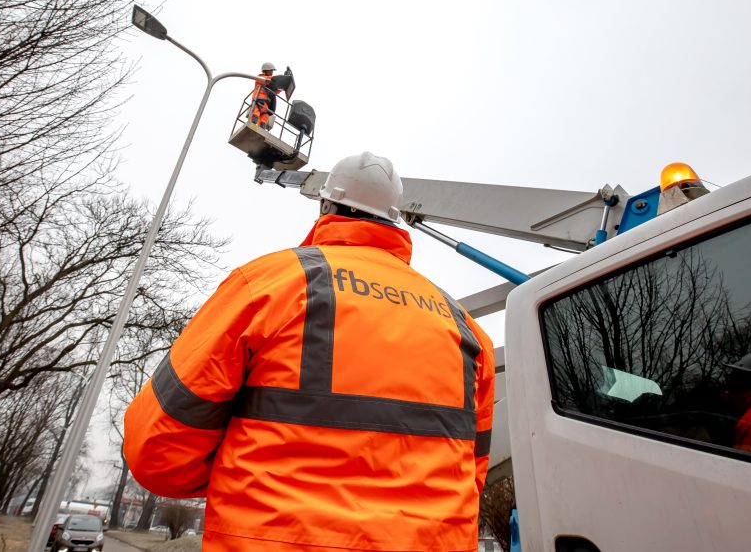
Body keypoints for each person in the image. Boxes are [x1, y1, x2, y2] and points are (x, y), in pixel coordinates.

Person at [124, 152, 495, 552]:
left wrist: (234, 477)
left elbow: (157, 446)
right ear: (395, 219)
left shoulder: (268, 285)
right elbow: (472, 470)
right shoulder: (464, 326)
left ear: (325, 206)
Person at [250, 61, 279, 130]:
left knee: (265, 115)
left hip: (266, 103)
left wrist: (283, 84)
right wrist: (277, 79)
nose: (272, 72)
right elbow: (267, 79)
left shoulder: (270, 82)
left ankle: (262, 126)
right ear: (266, 70)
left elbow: (276, 91)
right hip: (259, 99)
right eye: (271, 71)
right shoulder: (260, 78)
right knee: (256, 111)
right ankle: (253, 123)